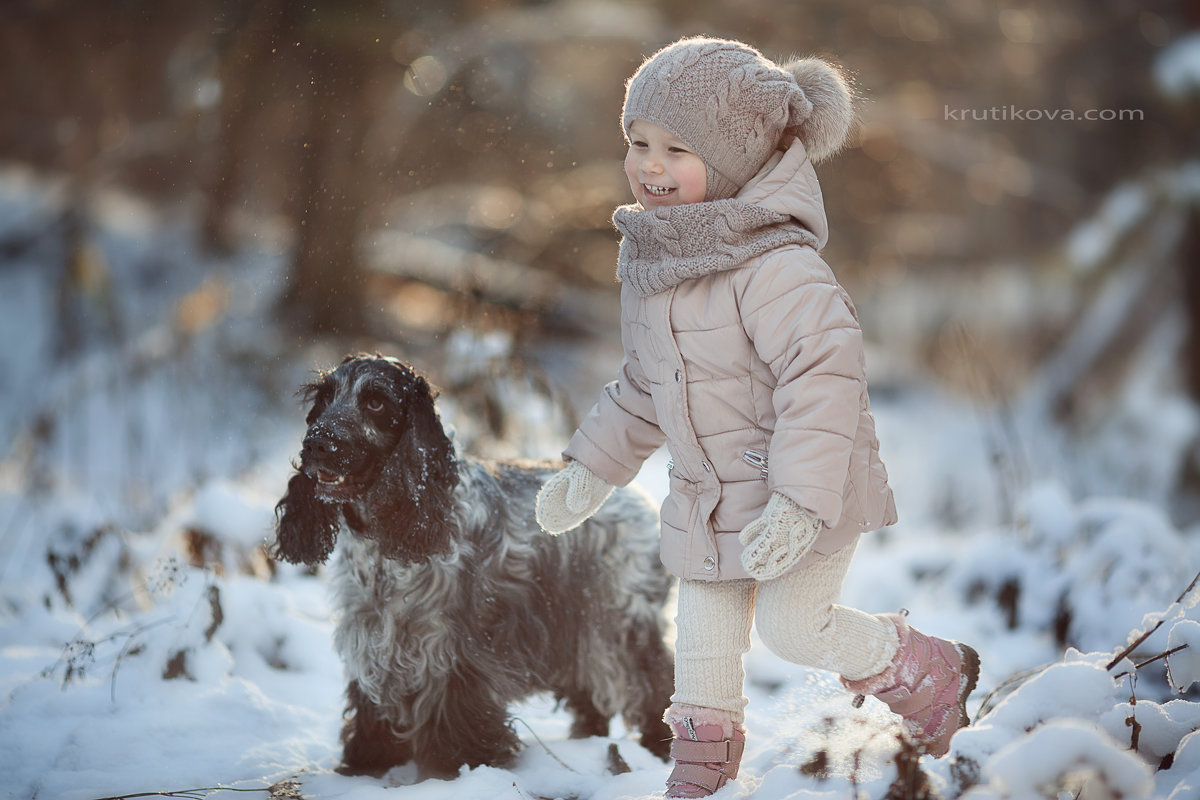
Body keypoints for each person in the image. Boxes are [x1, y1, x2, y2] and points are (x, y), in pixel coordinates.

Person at [534, 36, 980, 798]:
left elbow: (824, 379)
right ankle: (699, 774)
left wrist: (801, 503)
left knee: (791, 626)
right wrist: (591, 469)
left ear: (736, 159)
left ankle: (925, 669)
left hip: (804, 488)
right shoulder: (653, 263)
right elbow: (647, 382)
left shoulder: (778, 266)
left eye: (678, 149)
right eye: (639, 143)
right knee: (703, 642)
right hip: (706, 496)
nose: (650, 165)